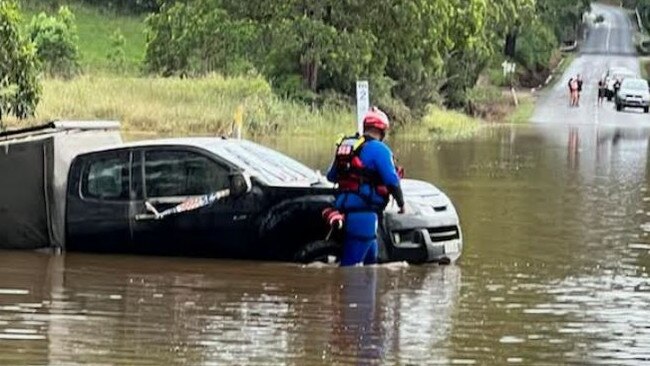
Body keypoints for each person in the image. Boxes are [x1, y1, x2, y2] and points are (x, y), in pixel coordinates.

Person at [326, 107, 406, 267]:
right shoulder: (380, 149)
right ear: (382, 131)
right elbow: (391, 180)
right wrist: (401, 204)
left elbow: (331, 176)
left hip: (344, 210)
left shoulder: (347, 146)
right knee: (350, 270)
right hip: (364, 215)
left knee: (371, 268)